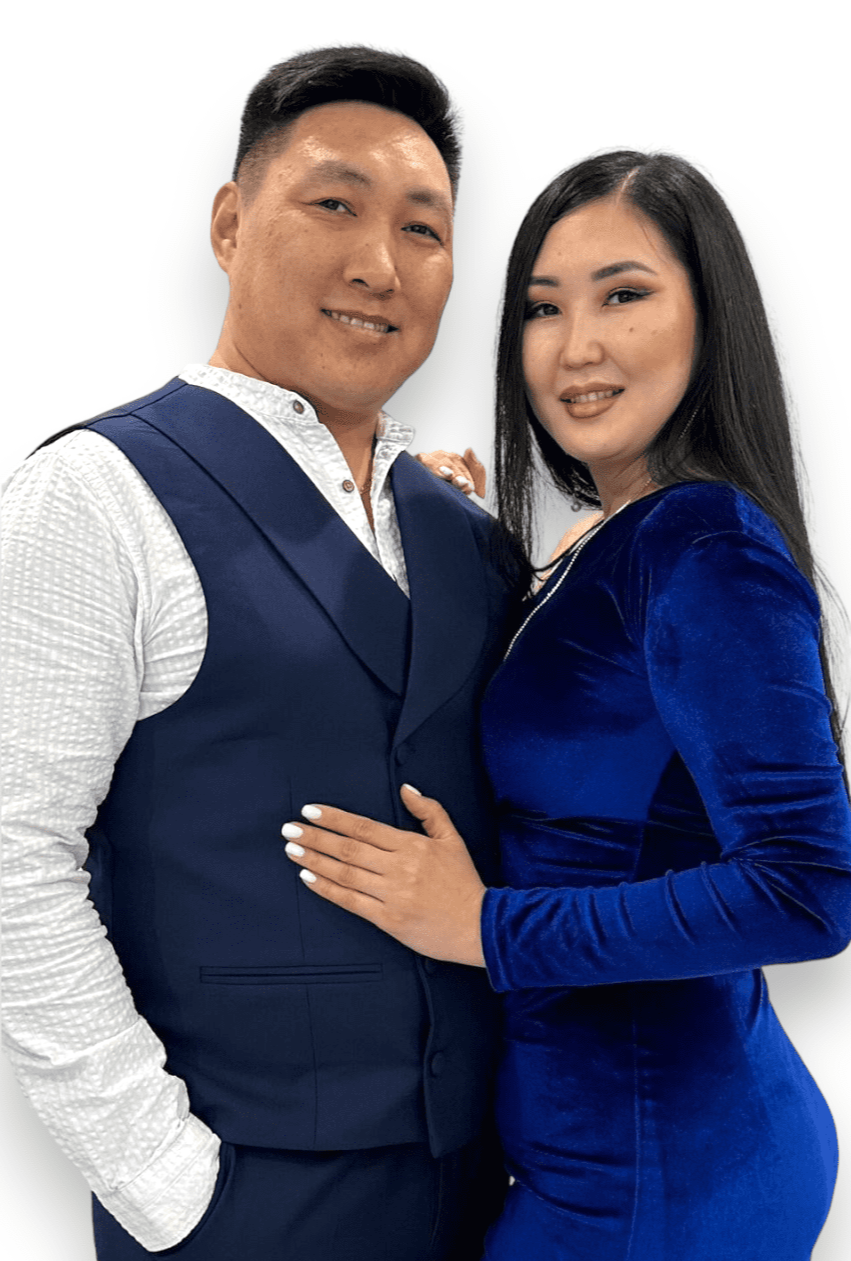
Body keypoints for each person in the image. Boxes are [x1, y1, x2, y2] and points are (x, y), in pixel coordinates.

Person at [281, 151, 851, 1258]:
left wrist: (483, 926)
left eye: (622, 294)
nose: (575, 346)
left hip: (657, 1171)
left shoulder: (702, 544)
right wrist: (452, 536)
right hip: (615, 1142)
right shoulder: (608, 537)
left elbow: (807, 888)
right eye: (542, 308)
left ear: (709, 316)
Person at [1, 47, 518, 1261]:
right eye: (333, 202)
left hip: (485, 1186)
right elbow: (15, 853)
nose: (378, 263)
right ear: (231, 223)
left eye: (423, 229)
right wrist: (170, 1187)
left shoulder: (463, 531)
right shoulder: (95, 493)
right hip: (244, 1198)